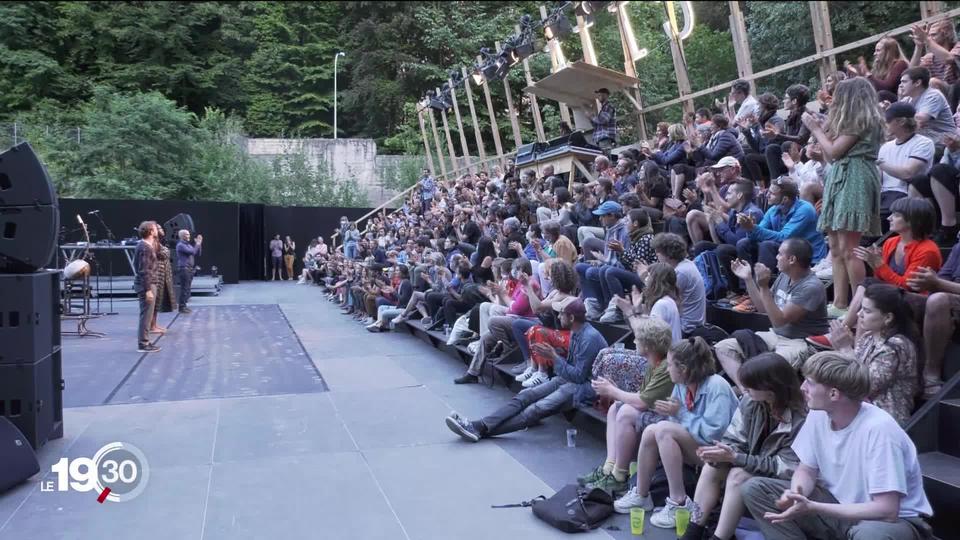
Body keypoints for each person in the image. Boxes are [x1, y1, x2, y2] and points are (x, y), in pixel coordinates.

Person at [741, 352, 933, 540]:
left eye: (810, 382)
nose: (802, 387)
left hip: (893, 523)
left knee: (869, 534)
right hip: (838, 507)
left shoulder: (880, 430)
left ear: (833, 394)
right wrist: (796, 494)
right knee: (755, 488)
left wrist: (814, 507)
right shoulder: (818, 414)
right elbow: (807, 469)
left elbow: (887, 510)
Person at [612, 337, 738, 529]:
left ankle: (679, 502)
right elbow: (675, 424)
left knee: (663, 428)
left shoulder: (717, 386)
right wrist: (674, 416)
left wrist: (679, 414)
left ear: (684, 369)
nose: (667, 368)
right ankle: (641, 494)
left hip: (720, 455)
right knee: (652, 430)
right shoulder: (681, 386)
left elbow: (714, 434)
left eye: (670, 365)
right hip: (697, 448)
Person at [680, 353, 808, 540]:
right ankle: (693, 532)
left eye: (750, 386)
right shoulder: (751, 402)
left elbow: (786, 468)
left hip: (786, 482)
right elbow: (734, 437)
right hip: (755, 464)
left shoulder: (801, 418)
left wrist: (736, 458)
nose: (744, 390)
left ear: (770, 389)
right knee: (712, 467)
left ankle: (720, 538)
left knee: (738, 476)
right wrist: (721, 452)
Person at [444, 299, 607, 441]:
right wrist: (555, 357)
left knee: (537, 408)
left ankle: (480, 429)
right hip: (569, 378)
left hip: (585, 386)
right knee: (526, 394)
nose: (558, 317)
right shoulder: (576, 331)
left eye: (561, 314)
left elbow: (579, 377)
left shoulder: (589, 338)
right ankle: (479, 426)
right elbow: (571, 369)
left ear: (571, 318)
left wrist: (554, 358)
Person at [802, 77, 884, 314]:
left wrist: (816, 130)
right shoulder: (850, 123)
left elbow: (835, 152)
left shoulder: (861, 121)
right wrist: (823, 133)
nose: (834, 101)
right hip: (841, 176)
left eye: (838, 96)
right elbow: (830, 156)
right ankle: (839, 303)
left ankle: (859, 307)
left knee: (849, 249)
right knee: (836, 247)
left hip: (856, 176)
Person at [578, 317, 676, 494]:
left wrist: (611, 390)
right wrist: (614, 391)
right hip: (657, 411)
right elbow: (644, 397)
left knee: (626, 412)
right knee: (616, 407)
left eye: (638, 339)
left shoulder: (665, 368)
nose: (634, 341)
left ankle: (619, 475)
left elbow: (642, 401)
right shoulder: (653, 363)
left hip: (672, 419)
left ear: (648, 345)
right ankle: (609, 468)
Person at [715, 238, 829, 390]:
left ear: (792, 259)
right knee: (723, 347)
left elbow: (779, 321)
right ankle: (746, 391)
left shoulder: (812, 287)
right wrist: (748, 279)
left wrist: (763, 286)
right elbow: (763, 309)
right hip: (776, 335)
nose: (776, 257)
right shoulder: (784, 276)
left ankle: (756, 392)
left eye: (780, 254)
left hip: (799, 341)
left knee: (768, 369)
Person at [824, 284, 920, 426]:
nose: (859, 314)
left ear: (887, 317)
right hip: (860, 410)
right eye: (861, 308)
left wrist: (845, 348)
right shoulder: (868, 337)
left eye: (867, 311)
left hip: (885, 419)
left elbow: (865, 386)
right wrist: (840, 349)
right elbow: (848, 372)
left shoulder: (896, 346)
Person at [878, 102, 936, 215]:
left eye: (888, 120)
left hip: (905, 194)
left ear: (901, 121)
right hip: (883, 195)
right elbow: (878, 179)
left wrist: (879, 162)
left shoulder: (923, 143)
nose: (884, 124)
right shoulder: (885, 146)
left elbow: (908, 174)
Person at [898, 66, 955, 147]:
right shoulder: (907, 99)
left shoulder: (933, 95)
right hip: (926, 141)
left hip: (944, 143)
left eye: (904, 82)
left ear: (917, 83)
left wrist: (897, 117)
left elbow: (920, 120)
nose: (900, 85)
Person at [133, 221, 161, 353]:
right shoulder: (145, 247)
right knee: (146, 315)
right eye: (155, 229)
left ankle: (145, 341)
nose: (157, 230)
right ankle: (143, 343)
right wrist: (148, 289)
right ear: (150, 231)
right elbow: (144, 270)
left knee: (147, 315)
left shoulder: (146, 245)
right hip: (147, 285)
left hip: (147, 284)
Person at [176, 229, 202, 314]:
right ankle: (181, 307)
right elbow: (193, 252)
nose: (189, 236)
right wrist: (197, 243)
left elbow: (198, 252)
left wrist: (199, 244)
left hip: (189, 270)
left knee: (187, 289)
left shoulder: (188, 245)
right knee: (184, 289)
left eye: (188, 234)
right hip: (184, 269)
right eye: (187, 234)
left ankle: (184, 306)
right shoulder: (180, 245)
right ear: (182, 236)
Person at [588, 88, 617, 153]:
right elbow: (596, 125)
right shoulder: (603, 109)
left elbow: (603, 120)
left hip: (605, 137)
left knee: (606, 158)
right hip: (601, 139)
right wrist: (590, 118)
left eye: (600, 95)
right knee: (603, 159)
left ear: (606, 95)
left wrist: (592, 117)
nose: (598, 97)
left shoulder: (609, 106)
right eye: (598, 95)